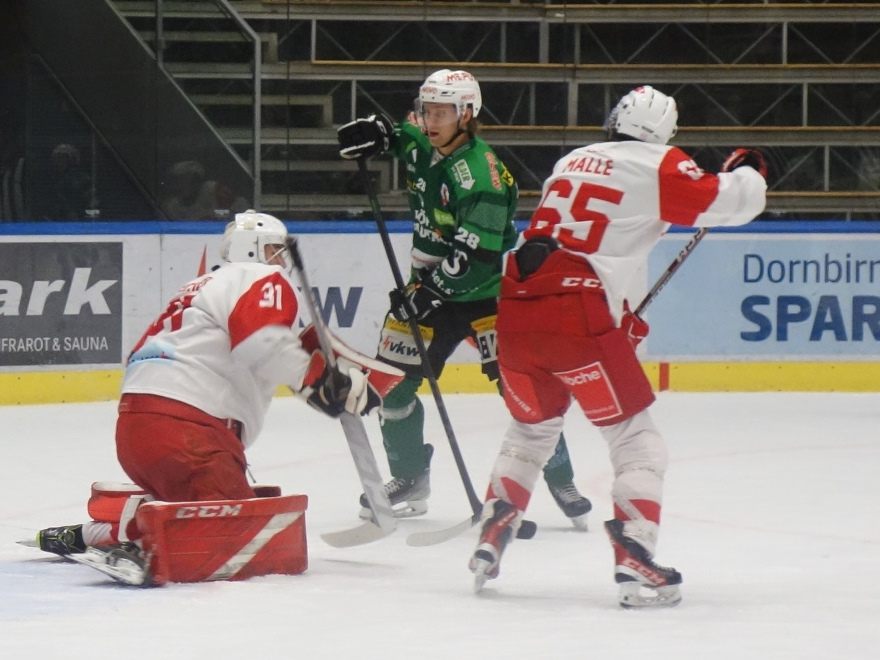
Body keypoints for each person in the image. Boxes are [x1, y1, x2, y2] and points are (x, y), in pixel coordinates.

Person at [467, 86, 768, 607]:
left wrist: (613, 319)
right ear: (665, 133)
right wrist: (750, 173)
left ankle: (496, 525)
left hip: (516, 307)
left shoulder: (570, 161)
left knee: (531, 430)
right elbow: (728, 202)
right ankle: (635, 554)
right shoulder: (659, 163)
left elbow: (591, 239)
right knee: (637, 442)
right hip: (573, 315)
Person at [34, 210, 384, 576]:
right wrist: (319, 382)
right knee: (233, 539)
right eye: (276, 250)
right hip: (190, 437)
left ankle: (93, 533)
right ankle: (125, 542)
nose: (282, 260)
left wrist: (318, 381)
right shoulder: (263, 276)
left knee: (194, 510)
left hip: (137, 429)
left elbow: (138, 354)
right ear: (258, 249)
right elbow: (261, 343)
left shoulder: (201, 286)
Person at [336, 69, 592, 527]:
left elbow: (475, 257)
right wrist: (380, 134)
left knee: (524, 394)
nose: (431, 121)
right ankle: (410, 477)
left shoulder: (482, 178)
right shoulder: (425, 141)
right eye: (427, 110)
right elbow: (404, 138)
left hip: (485, 298)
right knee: (391, 387)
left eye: (442, 113)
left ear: (467, 115)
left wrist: (430, 293)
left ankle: (561, 478)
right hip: (427, 292)